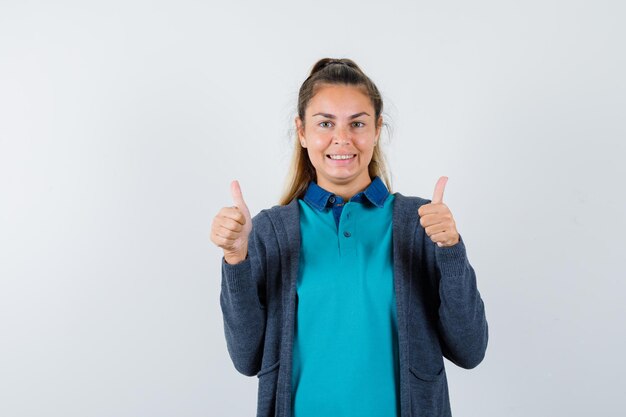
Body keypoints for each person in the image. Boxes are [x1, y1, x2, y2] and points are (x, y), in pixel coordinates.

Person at [210, 57, 488, 417]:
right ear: (302, 132)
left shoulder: (421, 224)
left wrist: (451, 251)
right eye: (325, 123)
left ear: (376, 130)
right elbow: (246, 358)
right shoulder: (268, 232)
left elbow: (470, 350)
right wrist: (236, 259)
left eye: (357, 123)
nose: (342, 139)